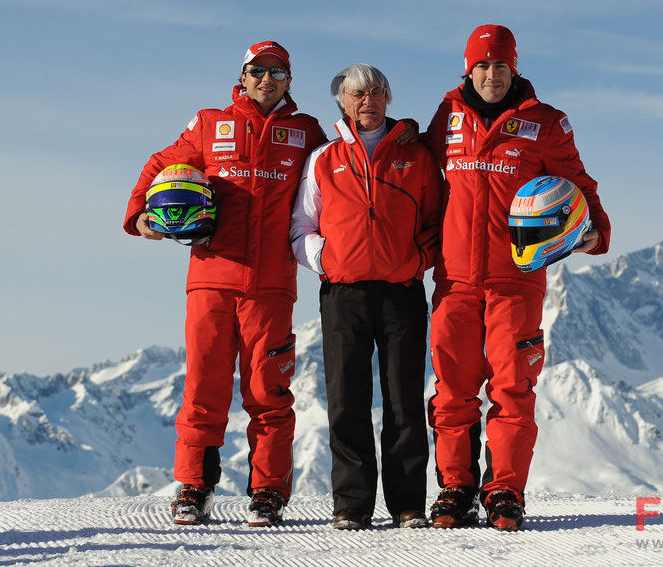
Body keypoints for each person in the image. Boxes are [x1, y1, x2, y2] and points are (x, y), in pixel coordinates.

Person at [123, 41, 327, 527]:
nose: (267, 79)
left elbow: (340, 169)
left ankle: (268, 492)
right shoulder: (210, 123)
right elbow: (160, 163)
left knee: (269, 391)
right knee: (204, 387)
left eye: (277, 72)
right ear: (244, 74)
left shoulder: (306, 132)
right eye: (258, 70)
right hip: (211, 279)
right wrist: (138, 215)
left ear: (289, 81)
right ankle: (194, 487)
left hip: (272, 285)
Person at [423, 25, 611, 531]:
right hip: (455, 279)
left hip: (517, 279)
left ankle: (505, 492)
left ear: (514, 69)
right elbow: (418, 174)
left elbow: (578, 179)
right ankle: (455, 489)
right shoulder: (448, 117)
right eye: (482, 66)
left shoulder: (545, 123)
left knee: (511, 387)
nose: (491, 75)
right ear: (468, 69)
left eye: (500, 66)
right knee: (452, 389)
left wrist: (595, 229)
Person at [290, 63, 442, 530]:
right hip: (343, 294)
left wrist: (419, 259)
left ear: (388, 99)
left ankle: (408, 504)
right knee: (346, 399)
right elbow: (301, 226)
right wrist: (326, 260)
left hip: (402, 292)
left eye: (376, 92)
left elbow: (438, 220)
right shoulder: (325, 158)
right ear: (342, 100)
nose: (367, 101)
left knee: (403, 401)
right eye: (357, 94)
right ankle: (351, 505)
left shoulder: (416, 157)